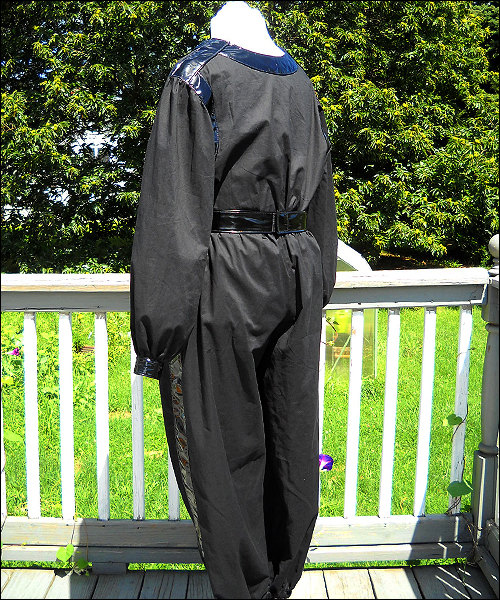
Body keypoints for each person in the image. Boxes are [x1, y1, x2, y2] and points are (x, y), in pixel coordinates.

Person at [130, 2, 338, 598]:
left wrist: (158, 329)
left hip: (226, 270)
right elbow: (320, 193)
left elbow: (175, 206)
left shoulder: (197, 76)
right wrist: (317, 281)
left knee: (223, 445)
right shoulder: (299, 82)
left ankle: (247, 589)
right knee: (290, 432)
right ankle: (279, 579)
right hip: (295, 264)